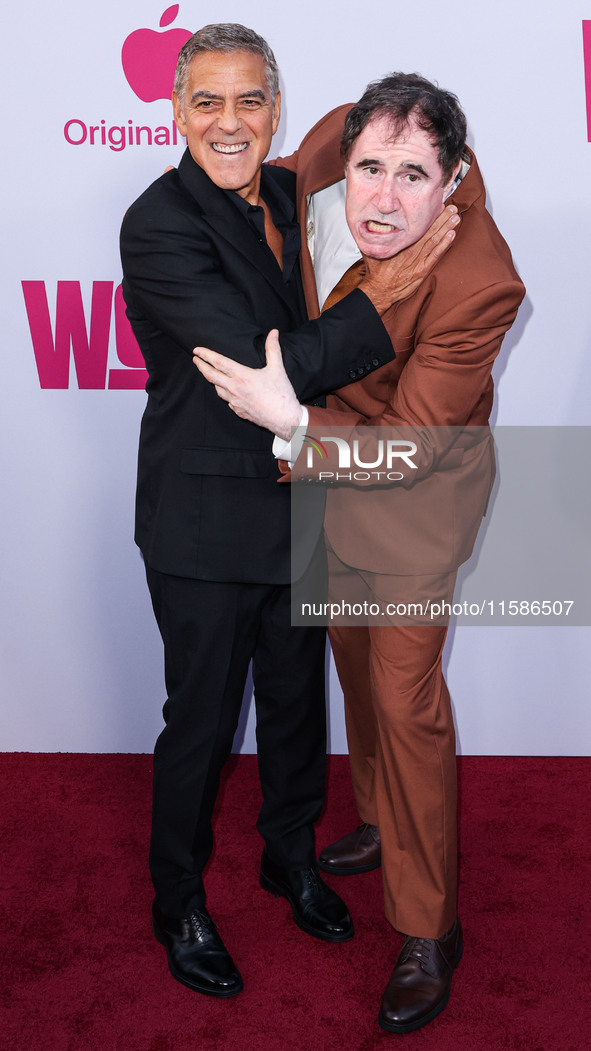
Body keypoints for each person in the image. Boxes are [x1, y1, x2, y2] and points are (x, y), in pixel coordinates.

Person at [120, 28, 457, 1000]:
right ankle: (176, 897)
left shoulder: (288, 196)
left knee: (298, 708)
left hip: (301, 498)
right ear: (178, 110)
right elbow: (263, 373)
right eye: (209, 103)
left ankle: (288, 857)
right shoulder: (158, 223)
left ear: (275, 106)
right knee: (202, 721)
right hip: (202, 521)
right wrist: (386, 300)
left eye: (250, 101)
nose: (231, 123)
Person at [194, 72, 525, 1030]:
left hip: (412, 494)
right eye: (372, 167)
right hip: (325, 477)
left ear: (452, 177)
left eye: (412, 176)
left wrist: (288, 419)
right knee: (349, 654)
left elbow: (417, 439)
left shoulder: (483, 281)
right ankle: (379, 819)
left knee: (403, 695)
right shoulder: (337, 138)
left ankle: (430, 926)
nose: (381, 196)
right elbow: (269, 206)